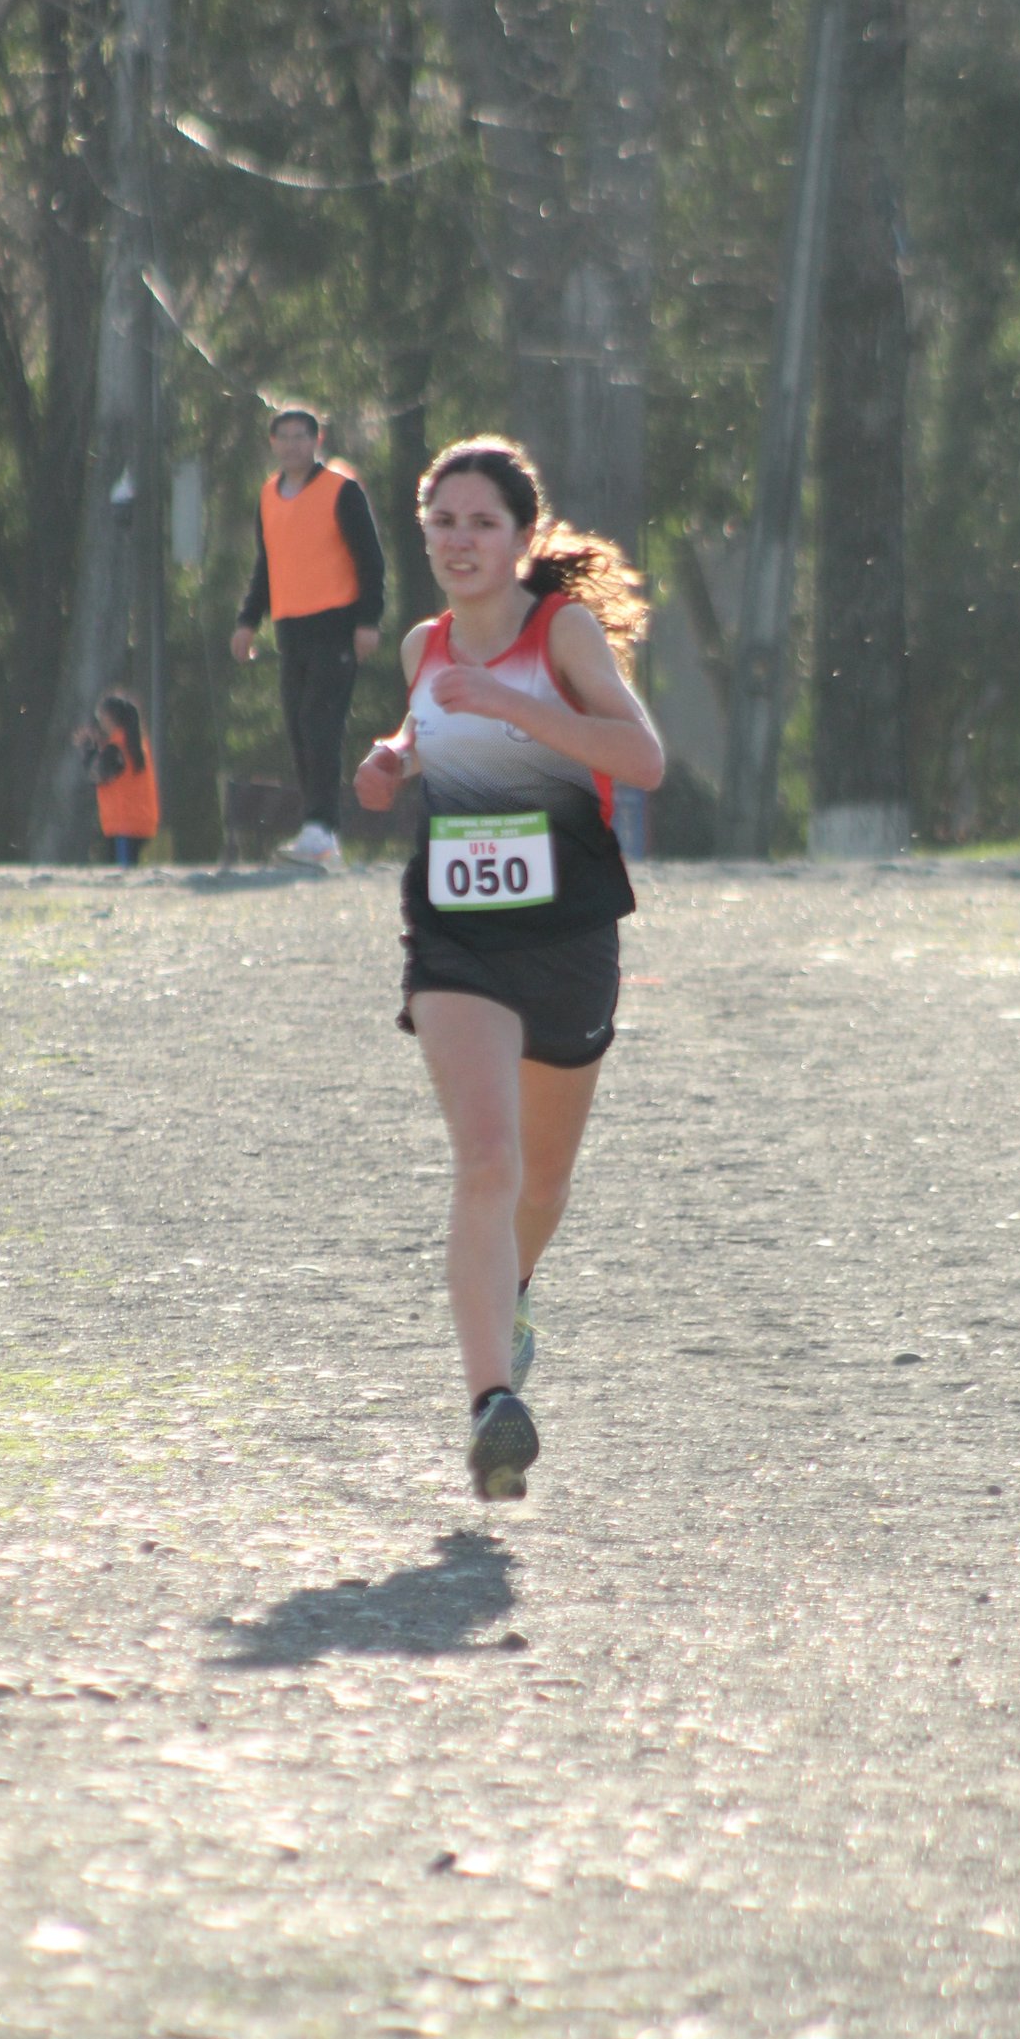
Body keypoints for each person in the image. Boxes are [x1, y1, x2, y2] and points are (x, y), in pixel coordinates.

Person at [353, 435, 665, 1500]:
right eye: (443, 521)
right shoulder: (423, 646)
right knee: (487, 1159)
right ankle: (493, 1406)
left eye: (482, 522)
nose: (460, 540)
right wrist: (396, 758)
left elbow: (641, 757)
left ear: (522, 537)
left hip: (568, 932)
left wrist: (516, 706)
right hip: (457, 936)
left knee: (542, 1178)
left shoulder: (560, 631)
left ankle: (513, 1290)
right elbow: (429, 720)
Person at [231, 405, 386, 868]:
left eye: (301, 436)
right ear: (273, 443)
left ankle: (321, 826)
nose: (292, 445)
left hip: (336, 624)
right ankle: (317, 830)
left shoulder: (341, 490)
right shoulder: (268, 495)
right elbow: (266, 564)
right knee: (299, 726)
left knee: (322, 722)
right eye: (284, 437)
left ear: (317, 441)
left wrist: (368, 621)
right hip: (290, 627)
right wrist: (247, 621)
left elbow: (370, 559)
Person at [75, 691, 159, 866]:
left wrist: (88, 751)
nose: (100, 723)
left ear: (110, 718)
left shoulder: (117, 748)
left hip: (124, 824)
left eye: (101, 718)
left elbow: (97, 774)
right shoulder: (138, 744)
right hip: (140, 821)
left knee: (123, 875)